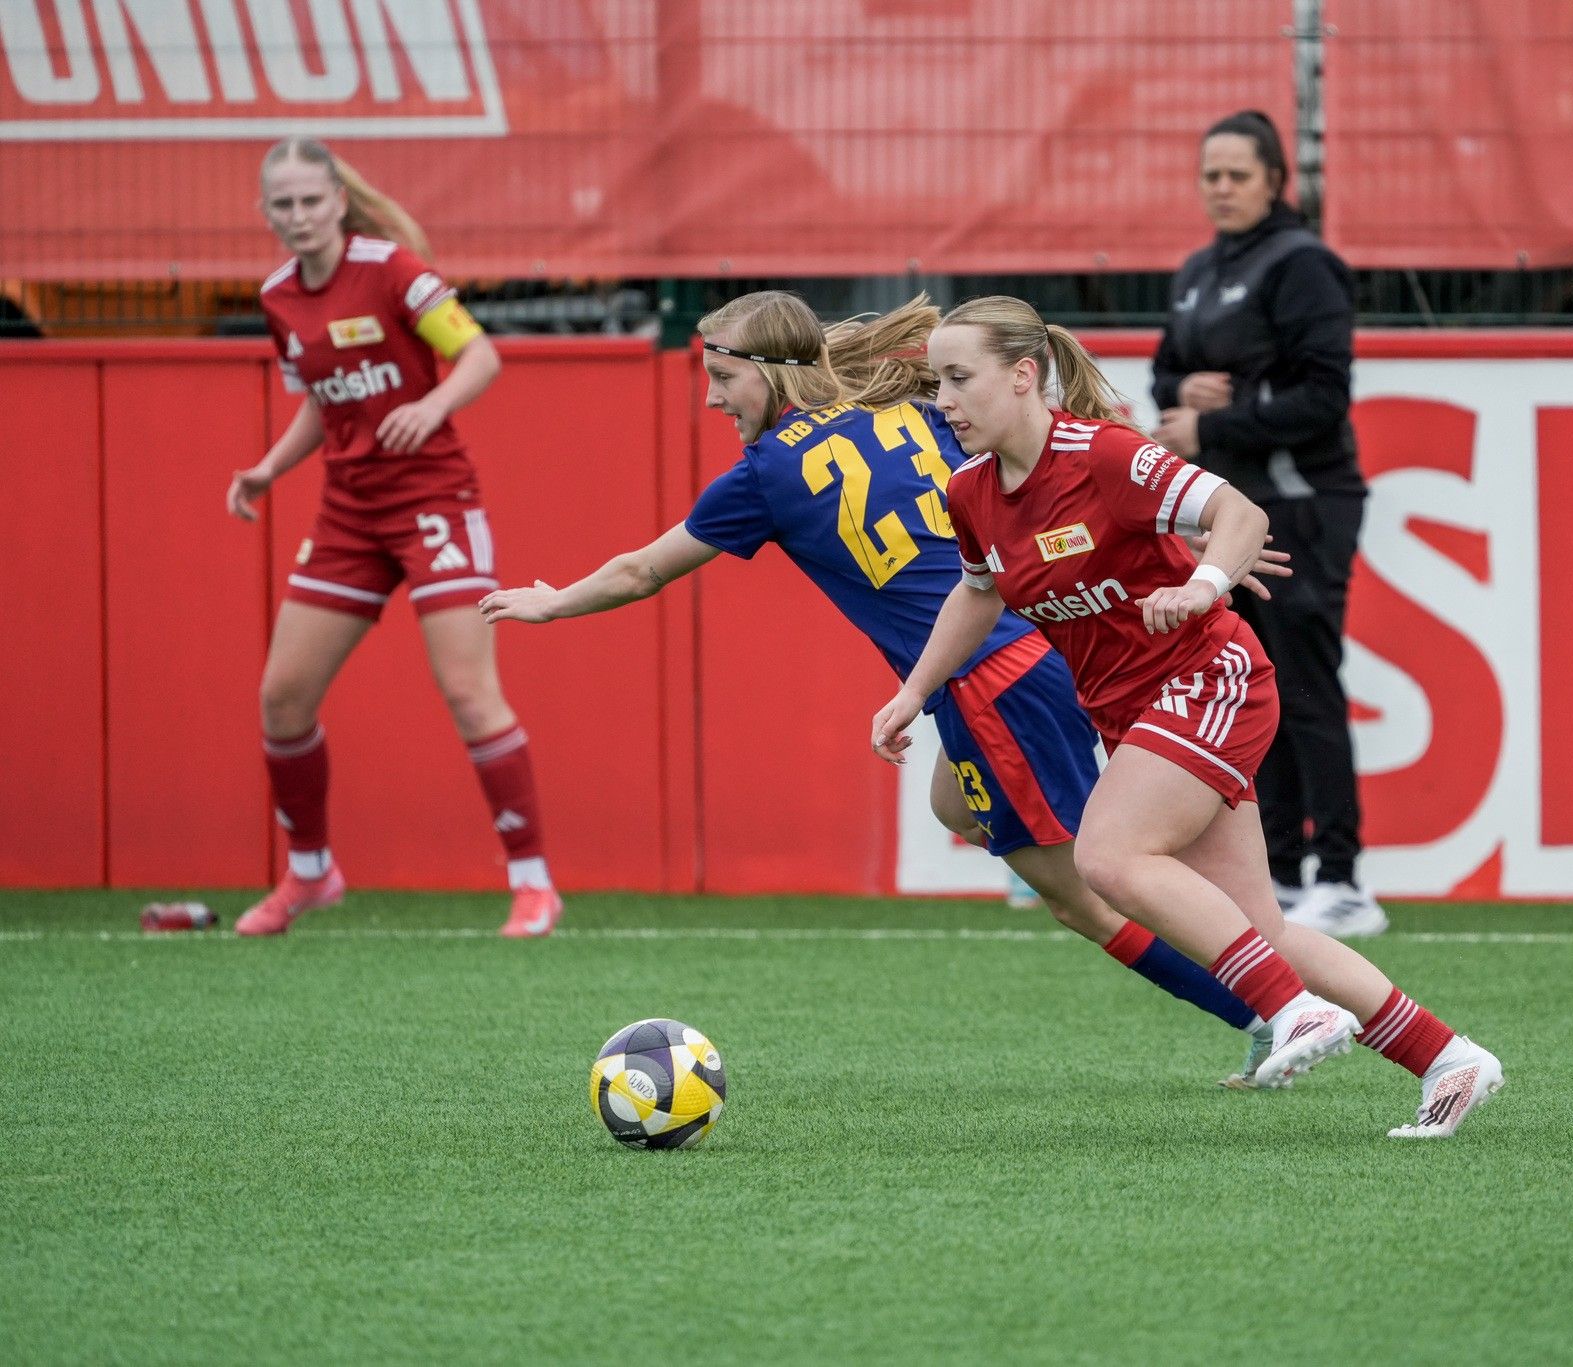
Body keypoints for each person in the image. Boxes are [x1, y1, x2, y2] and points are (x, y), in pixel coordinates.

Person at [479, 290, 1286, 1082]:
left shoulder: (766, 470)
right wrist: (1186, 532)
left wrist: (554, 603)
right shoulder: (913, 405)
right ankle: (1260, 974)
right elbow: (1054, 468)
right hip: (1031, 658)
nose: (713, 395)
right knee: (958, 805)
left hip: (988, 678)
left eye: (725, 376)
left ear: (772, 372)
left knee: (1087, 892)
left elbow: (640, 570)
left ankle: (1263, 1008)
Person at [873, 297, 1502, 1135]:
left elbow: (1241, 516)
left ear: (1024, 375)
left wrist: (1202, 583)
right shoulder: (972, 492)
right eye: (935, 382)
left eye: (958, 378)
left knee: (1108, 853)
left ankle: (1295, 1011)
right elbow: (977, 592)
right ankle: (1450, 1056)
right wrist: (914, 692)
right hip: (1135, 710)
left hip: (1212, 676)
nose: (942, 401)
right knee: (1263, 930)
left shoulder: (1103, 455)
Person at [228, 138, 561, 938]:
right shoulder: (277, 296)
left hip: (434, 500)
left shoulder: (393, 269)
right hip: (348, 513)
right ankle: (310, 873)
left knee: (469, 692)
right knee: (282, 697)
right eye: (284, 204)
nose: (300, 216)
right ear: (265, 214)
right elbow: (320, 398)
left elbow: (479, 355)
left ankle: (532, 881)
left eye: (312, 199)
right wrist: (268, 469)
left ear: (339, 200)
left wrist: (434, 405)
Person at [1150, 110, 1385, 939]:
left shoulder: (1304, 264)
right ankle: (1280, 870)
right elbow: (1166, 374)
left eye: (1236, 174)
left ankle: (1346, 876)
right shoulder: (1198, 270)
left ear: (1276, 179)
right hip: (1230, 513)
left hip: (1304, 504)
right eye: (1209, 174)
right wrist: (1188, 398)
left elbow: (1323, 397)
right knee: (1256, 685)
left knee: (1307, 682)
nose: (1220, 188)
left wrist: (1216, 419)